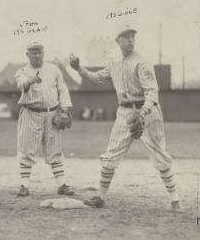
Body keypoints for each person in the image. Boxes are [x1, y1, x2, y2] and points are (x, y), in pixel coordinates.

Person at [69, 25, 182, 211]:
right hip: (124, 112)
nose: (130, 39)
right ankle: (101, 197)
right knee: (111, 154)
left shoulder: (142, 61)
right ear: (117, 40)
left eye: (132, 36)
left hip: (147, 111)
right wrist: (78, 68)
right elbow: (97, 78)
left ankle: (175, 201)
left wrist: (142, 114)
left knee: (159, 154)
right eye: (126, 36)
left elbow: (153, 92)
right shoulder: (114, 61)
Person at [15, 42, 74, 197]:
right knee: (27, 149)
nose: (37, 55)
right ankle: (24, 185)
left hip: (52, 114)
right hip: (30, 113)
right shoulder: (22, 71)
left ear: (43, 52)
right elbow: (21, 84)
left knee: (54, 149)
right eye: (33, 52)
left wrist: (65, 109)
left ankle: (62, 185)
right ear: (27, 54)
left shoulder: (53, 69)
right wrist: (30, 81)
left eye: (40, 52)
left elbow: (62, 89)